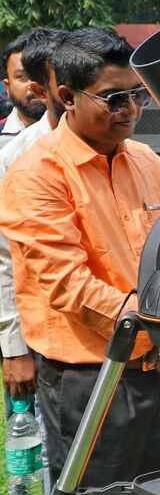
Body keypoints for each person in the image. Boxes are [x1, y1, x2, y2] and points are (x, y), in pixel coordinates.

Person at [0, 27, 160, 495]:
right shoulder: (36, 172)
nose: (131, 109)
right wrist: (159, 319)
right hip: (90, 375)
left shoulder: (147, 161)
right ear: (65, 97)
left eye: (137, 94)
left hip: (159, 366)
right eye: (114, 98)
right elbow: (68, 284)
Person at [1, 27, 65, 413]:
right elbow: (6, 257)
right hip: (36, 335)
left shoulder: (123, 149)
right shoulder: (16, 156)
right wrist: (14, 349)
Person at [1, 32, 46, 138]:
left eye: (41, 75)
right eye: (22, 76)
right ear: (7, 86)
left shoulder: (81, 133)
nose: (33, 85)